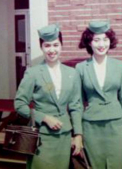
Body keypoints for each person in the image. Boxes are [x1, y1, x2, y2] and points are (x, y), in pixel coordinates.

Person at [14, 24, 83, 169]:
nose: (52, 50)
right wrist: (44, 117)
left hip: (64, 136)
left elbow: (76, 106)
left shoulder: (72, 73)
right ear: (42, 47)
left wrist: (78, 135)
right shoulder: (33, 73)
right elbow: (19, 104)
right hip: (42, 137)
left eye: (56, 45)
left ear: (61, 46)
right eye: (47, 45)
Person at [76, 20, 122, 169]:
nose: (101, 44)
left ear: (110, 41)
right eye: (96, 40)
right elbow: (77, 103)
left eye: (105, 39)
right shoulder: (80, 68)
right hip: (91, 127)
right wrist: (78, 133)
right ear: (89, 43)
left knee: (117, 164)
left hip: (116, 125)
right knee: (95, 165)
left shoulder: (120, 66)